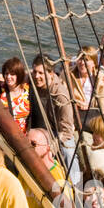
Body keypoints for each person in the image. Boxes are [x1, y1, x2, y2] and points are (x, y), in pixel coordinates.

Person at [29, 56, 80, 188]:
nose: (36, 76)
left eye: (41, 73)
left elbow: (67, 130)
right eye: (35, 72)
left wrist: (51, 147)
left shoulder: (61, 95)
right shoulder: (33, 80)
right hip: (42, 129)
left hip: (60, 133)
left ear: (51, 73)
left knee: (69, 152)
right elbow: (24, 74)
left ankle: (75, 186)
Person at [24, 128, 67, 208]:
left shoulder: (57, 177)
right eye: (25, 142)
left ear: (47, 148)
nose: (28, 148)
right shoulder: (24, 169)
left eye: (33, 144)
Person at [0, 57, 31, 133]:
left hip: (25, 135)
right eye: (6, 73)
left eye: (12, 74)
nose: (8, 77)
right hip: (6, 134)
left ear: (19, 75)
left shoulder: (28, 91)